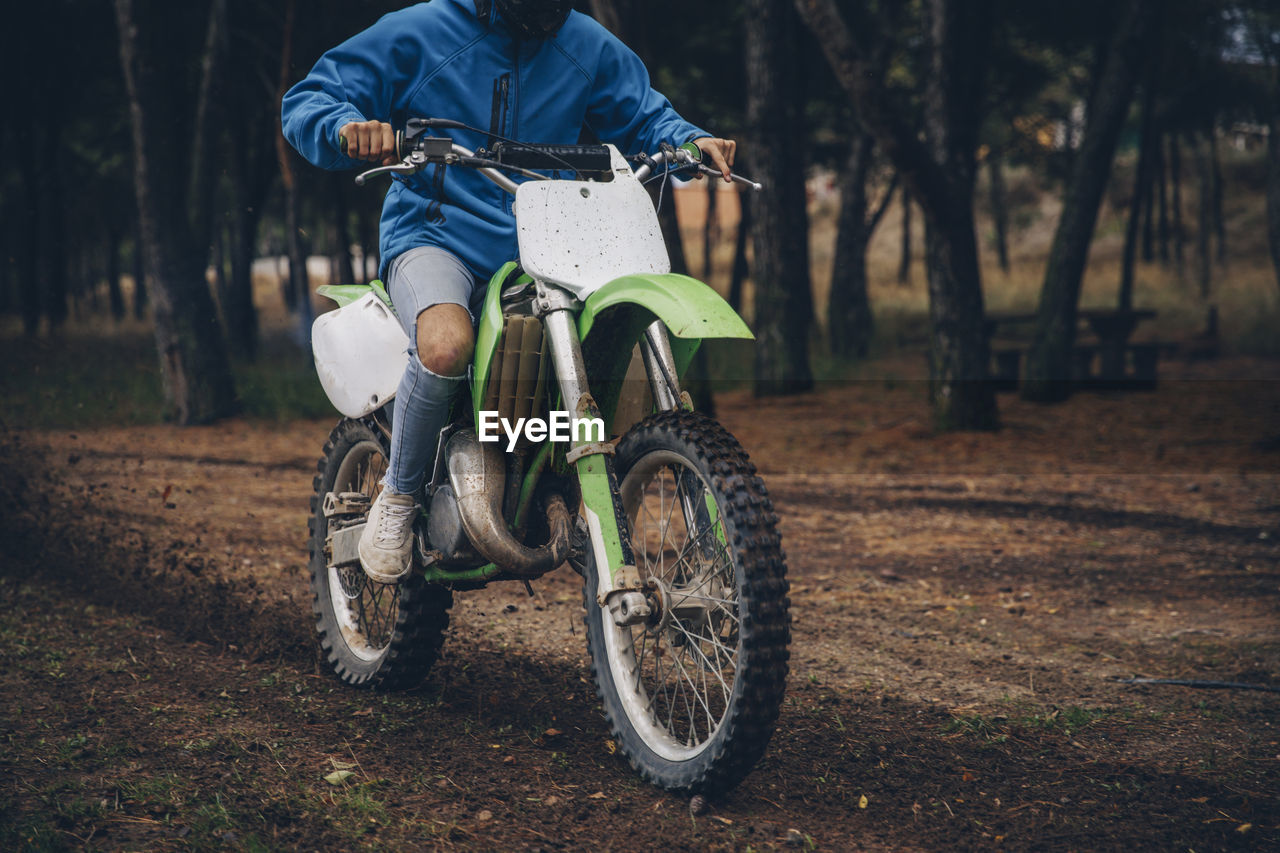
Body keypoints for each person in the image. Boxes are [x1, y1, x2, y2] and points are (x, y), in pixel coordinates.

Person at [282, 0, 737, 584]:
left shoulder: (584, 43)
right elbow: (310, 97)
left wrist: (690, 141)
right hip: (437, 235)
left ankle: (570, 479)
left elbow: (646, 115)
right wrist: (347, 128)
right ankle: (396, 499)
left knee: (611, 339)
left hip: (553, 242)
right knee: (446, 345)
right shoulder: (424, 31)